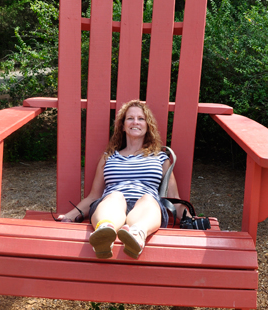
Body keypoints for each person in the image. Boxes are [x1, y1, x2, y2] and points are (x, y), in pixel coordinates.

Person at [58, 100, 182, 259]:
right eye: (130, 118)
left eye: (141, 118)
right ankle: (105, 232)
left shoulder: (161, 158)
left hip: (147, 211)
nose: (135, 122)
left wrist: (192, 220)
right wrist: (70, 215)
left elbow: (175, 199)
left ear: (148, 125)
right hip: (110, 207)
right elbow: (94, 196)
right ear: (123, 126)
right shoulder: (108, 158)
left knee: (148, 199)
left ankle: (137, 234)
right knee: (115, 196)